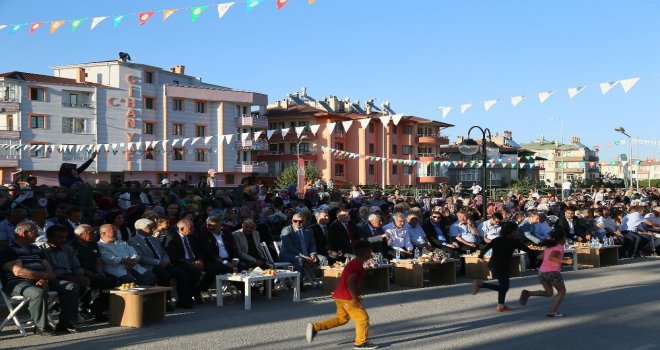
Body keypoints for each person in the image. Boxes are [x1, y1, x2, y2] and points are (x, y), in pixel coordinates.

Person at [0, 221, 81, 335]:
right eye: (35, 232)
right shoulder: (8, 249)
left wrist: (44, 278)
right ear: (24, 233)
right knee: (38, 292)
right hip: (18, 283)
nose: (38, 235)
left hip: (41, 279)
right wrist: (43, 276)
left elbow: (46, 265)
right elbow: (18, 271)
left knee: (71, 286)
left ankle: (65, 323)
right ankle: (41, 327)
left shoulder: (35, 248)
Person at [305, 240, 378, 350]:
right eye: (370, 251)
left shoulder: (354, 262)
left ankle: (316, 327)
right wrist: (355, 298)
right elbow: (350, 281)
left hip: (339, 295)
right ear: (366, 252)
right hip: (348, 297)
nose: (371, 254)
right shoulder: (357, 265)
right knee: (362, 319)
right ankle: (361, 342)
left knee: (341, 319)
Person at [471, 221, 533, 312]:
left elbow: (485, 248)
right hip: (500, 266)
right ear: (511, 231)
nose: (517, 232)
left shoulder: (496, 240)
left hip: (493, 265)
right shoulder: (514, 242)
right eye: (516, 230)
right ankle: (481, 284)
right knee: (504, 287)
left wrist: (481, 257)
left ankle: (501, 305)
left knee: (503, 285)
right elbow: (528, 250)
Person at [128, 218, 187, 310]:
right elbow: (140, 257)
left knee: (182, 273)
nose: (152, 230)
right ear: (140, 229)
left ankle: (183, 300)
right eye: (149, 228)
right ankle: (165, 302)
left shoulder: (154, 239)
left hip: (163, 263)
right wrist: (158, 262)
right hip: (150, 266)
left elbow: (163, 252)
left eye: (152, 227)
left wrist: (166, 260)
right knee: (165, 276)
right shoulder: (133, 241)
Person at [519, 229, 573, 317]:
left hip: (542, 272)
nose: (565, 239)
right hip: (552, 272)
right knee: (561, 291)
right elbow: (552, 257)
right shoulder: (559, 247)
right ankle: (552, 311)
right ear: (561, 239)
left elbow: (540, 257)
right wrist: (565, 261)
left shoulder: (548, 247)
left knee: (549, 293)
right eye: (564, 238)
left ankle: (528, 293)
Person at [68, 224, 115, 322]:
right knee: (101, 283)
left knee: (113, 280)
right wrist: (94, 275)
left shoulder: (93, 244)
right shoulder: (71, 247)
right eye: (90, 232)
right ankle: (92, 309)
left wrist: (100, 272)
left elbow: (98, 259)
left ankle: (98, 308)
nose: (94, 234)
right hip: (79, 273)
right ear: (81, 235)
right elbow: (76, 266)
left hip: (95, 271)